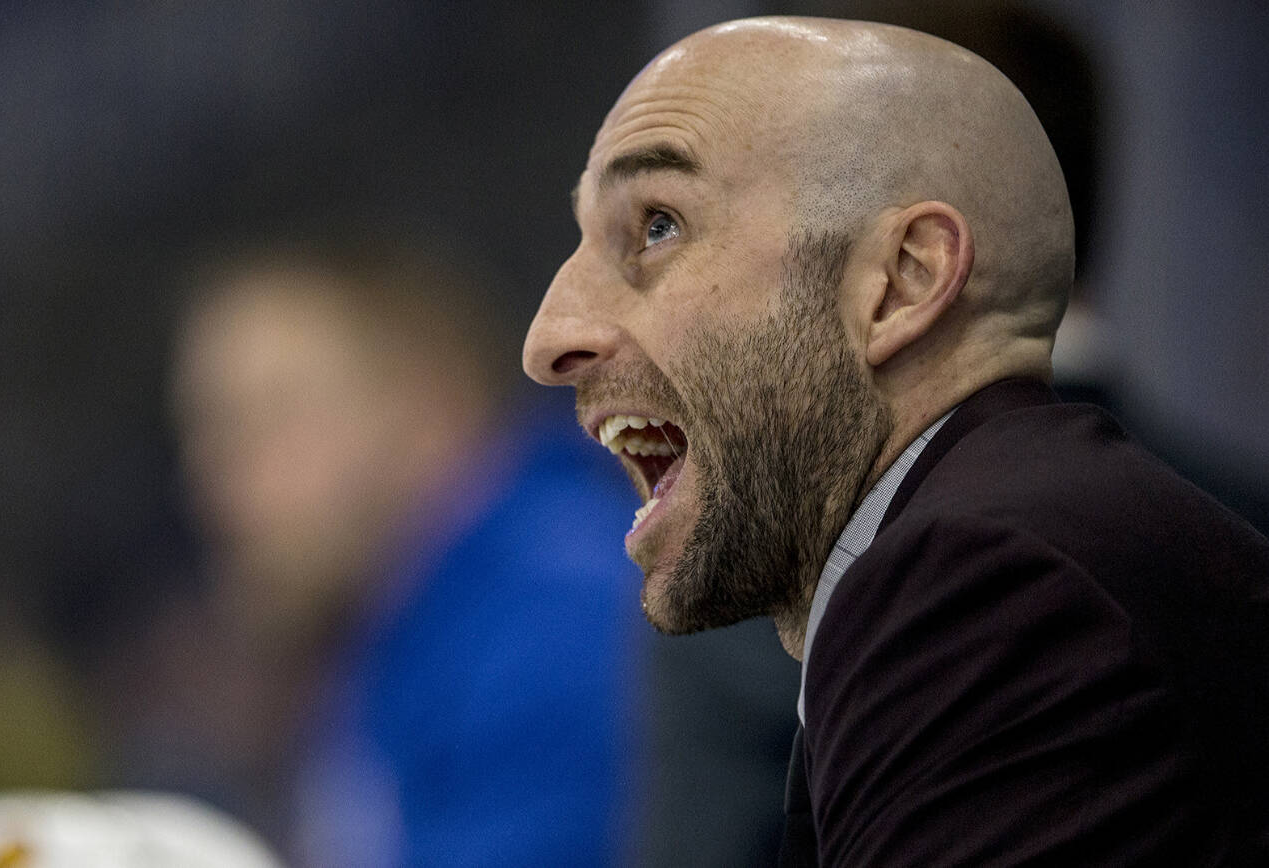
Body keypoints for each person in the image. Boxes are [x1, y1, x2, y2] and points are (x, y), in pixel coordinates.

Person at [521, 16, 1269, 867]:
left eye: (658, 225)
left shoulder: (985, 582)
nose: (549, 337)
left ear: (902, 281)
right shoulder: (1011, 541)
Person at [158, 236, 645, 866]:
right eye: (202, 431)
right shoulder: (412, 631)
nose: (211, 476)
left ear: (426, 406)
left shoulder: (565, 615)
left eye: (265, 415)